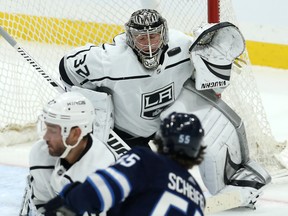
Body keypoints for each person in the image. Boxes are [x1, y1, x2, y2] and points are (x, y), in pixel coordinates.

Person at [57, 8, 271, 208]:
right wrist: (87, 104)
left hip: (167, 125)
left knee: (213, 120)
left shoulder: (183, 46)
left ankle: (231, 178)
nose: (149, 45)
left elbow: (205, 78)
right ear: (131, 38)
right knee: (145, 195)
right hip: (125, 134)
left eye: (154, 36)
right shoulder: (109, 60)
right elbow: (67, 68)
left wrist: (216, 61)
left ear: (164, 34)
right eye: (142, 38)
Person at [44, 112, 206, 216]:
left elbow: (99, 190)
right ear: (197, 150)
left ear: (161, 138)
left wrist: (68, 201)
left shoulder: (147, 161)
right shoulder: (198, 197)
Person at [21, 91, 130, 216]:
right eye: (46, 128)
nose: (45, 137)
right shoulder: (40, 153)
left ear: (75, 134)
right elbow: (40, 202)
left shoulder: (102, 173)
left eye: (52, 131)